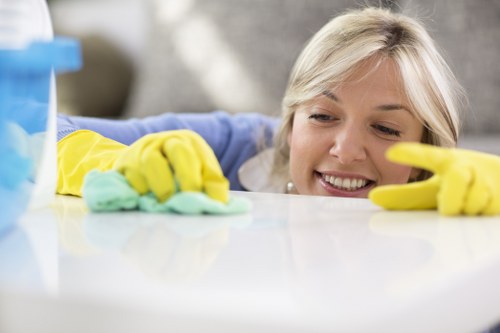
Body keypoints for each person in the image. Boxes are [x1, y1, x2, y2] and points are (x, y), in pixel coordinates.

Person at [57, 6, 500, 216]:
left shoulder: (456, 195)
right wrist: (117, 162)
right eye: (323, 116)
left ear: (425, 148)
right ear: (289, 124)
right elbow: (42, 129)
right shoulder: (236, 143)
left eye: (384, 127)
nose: (346, 151)